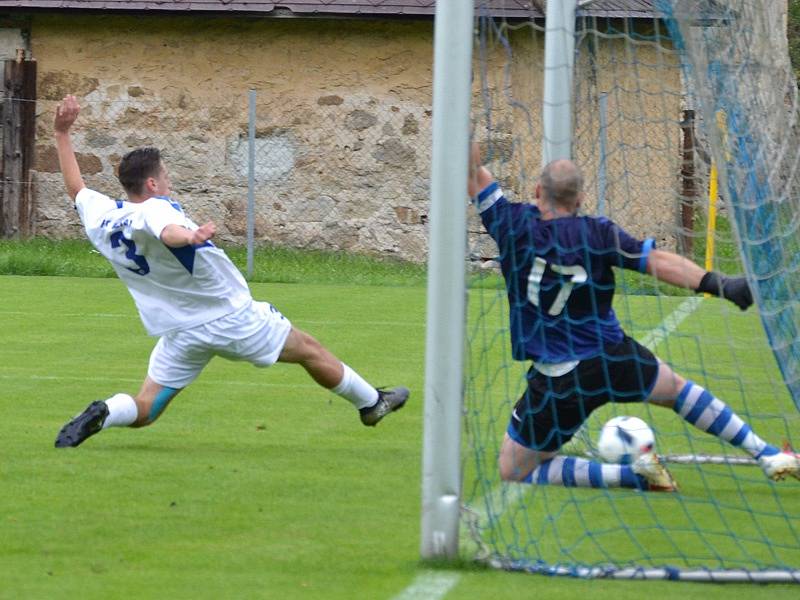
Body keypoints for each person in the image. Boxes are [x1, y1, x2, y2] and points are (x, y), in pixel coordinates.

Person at [52, 95, 408, 448]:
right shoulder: (156, 209)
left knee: (146, 408)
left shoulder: (106, 216)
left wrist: (61, 133)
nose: (169, 180)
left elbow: (77, 189)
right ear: (151, 185)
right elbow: (166, 230)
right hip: (230, 317)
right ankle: (372, 404)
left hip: (181, 330)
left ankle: (106, 411)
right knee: (310, 350)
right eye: (165, 175)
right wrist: (189, 235)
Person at [468, 144, 800, 491]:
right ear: (580, 198)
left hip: (559, 379)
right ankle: (766, 454)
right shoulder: (597, 233)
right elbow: (657, 262)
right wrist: (720, 284)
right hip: (612, 356)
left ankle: (630, 476)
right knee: (678, 391)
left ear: (538, 192)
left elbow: (472, 173)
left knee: (514, 469)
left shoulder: (511, 224)